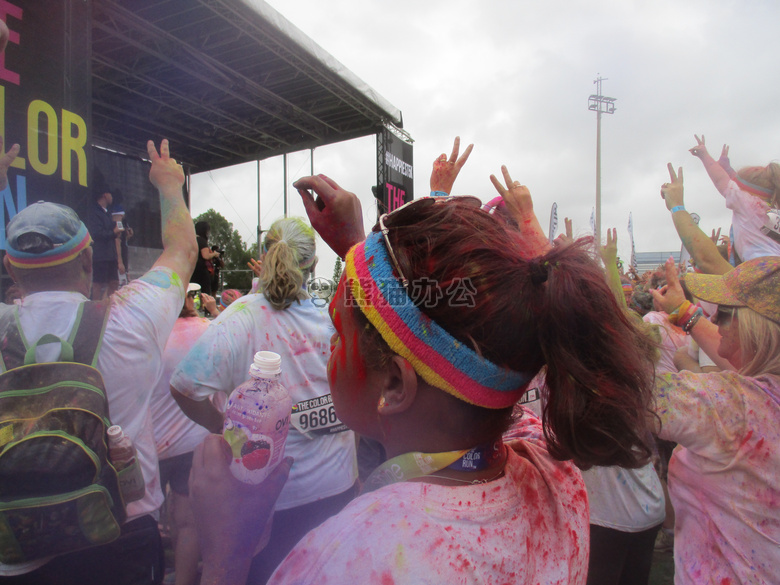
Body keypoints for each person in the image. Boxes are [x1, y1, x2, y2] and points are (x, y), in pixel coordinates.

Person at [190, 153, 657, 585]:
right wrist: (363, 254)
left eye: (338, 333)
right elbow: (445, 342)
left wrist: (226, 554)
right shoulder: (557, 478)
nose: (329, 347)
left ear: (394, 382)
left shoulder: (344, 559)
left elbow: (430, 337)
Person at [0, 139, 197, 584]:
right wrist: (168, 184)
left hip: (16, 542)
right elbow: (183, 251)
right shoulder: (132, 318)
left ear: (12, 271)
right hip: (119, 538)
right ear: (88, 258)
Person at [170, 217, 358, 584]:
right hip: (338, 489)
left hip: (266, 500)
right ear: (314, 264)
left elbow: (185, 387)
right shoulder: (334, 314)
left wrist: (222, 425)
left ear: (264, 256)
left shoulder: (240, 317)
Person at [650, 255, 780, 584]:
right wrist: (684, 312)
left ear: (758, 328)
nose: (715, 321)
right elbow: (731, 346)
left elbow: (622, 392)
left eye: (723, 313)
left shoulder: (736, 405)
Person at [151, 283, 216, 585]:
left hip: (150, 444)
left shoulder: (147, 335)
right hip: (193, 440)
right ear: (189, 298)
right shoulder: (207, 329)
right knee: (188, 524)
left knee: (149, 521)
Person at [689, 135, 780, 262]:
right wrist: (726, 168)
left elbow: (721, 180)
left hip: (758, 266)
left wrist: (704, 155)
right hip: (775, 264)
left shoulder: (746, 203)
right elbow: (742, 186)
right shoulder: (771, 211)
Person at [84, 187, 121, 299]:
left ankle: (108, 305)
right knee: (98, 284)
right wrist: (113, 232)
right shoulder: (94, 212)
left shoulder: (108, 213)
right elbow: (97, 233)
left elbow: (111, 232)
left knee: (114, 282)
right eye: (111, 194)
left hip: (111, 255)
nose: (112, 197)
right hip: (100, 255)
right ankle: (95, 308)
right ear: (105, 195)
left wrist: (118, 232)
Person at [191, 222, 220, 295]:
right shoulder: (201, 241)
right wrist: (214, 254)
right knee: (205, 292)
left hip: (192, 269)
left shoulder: (192, 240)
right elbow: (206, 256)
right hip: (201, 271)